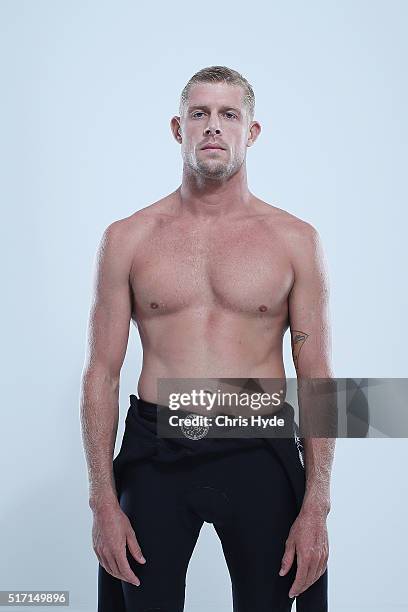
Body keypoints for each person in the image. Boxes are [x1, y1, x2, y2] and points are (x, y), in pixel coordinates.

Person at [80, 65, 336, 612]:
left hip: (260, 444)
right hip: (156, 449)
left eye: (228, 115)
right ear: (179, 128)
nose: (213, 127)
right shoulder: (127, 239)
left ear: (252, 131)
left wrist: (317, 505)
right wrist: (102, 497)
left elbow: (317, 377)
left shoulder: (294, 240)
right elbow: (100, 371)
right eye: (200, 114)